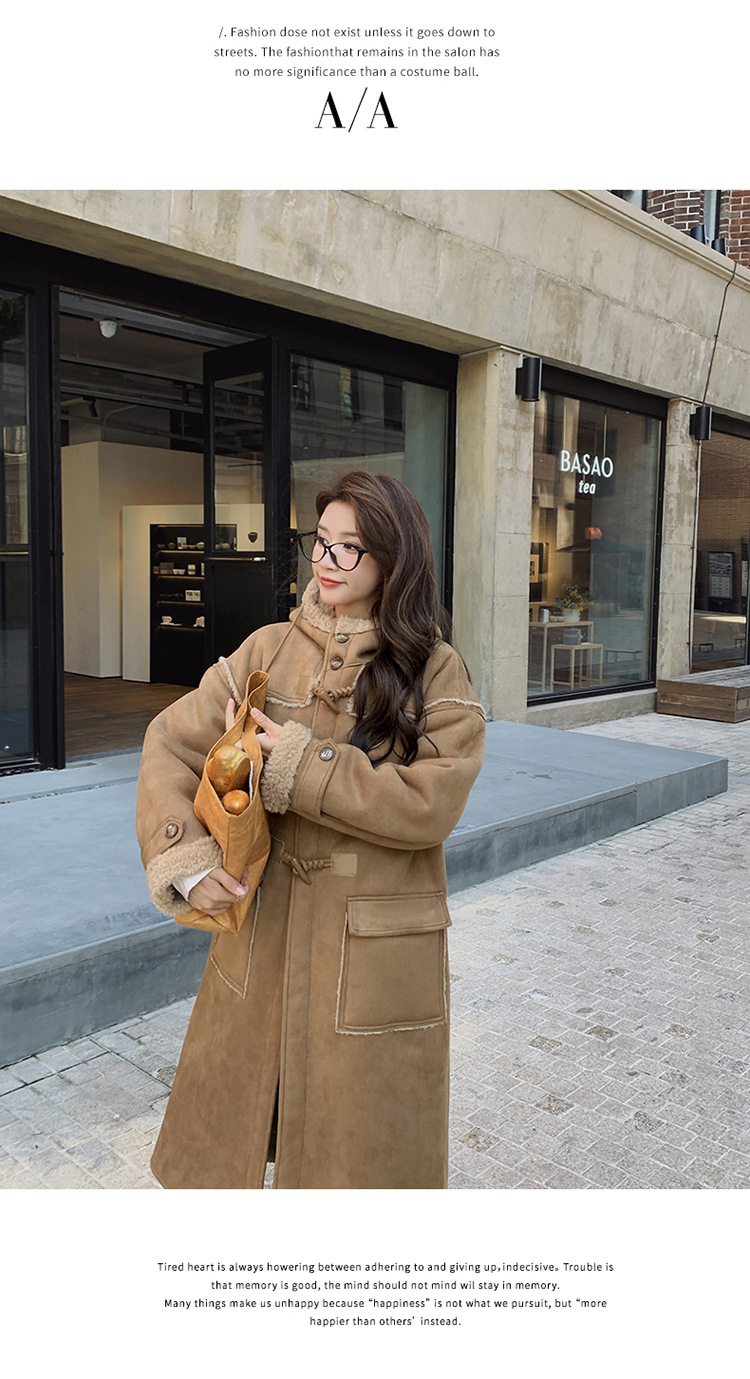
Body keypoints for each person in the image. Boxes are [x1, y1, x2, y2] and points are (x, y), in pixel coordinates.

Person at [136, 470, 486, 1189]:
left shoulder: (436, 669)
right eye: (319, 541)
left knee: (354, 1159)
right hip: (263, 933)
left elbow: (433, 802)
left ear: (395, 557)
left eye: (349, 547)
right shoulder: (266, 651)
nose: (327, 561)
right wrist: (188, 861)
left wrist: (304, 766)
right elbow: (170, 740)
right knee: (232, 1135)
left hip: (373, 950)